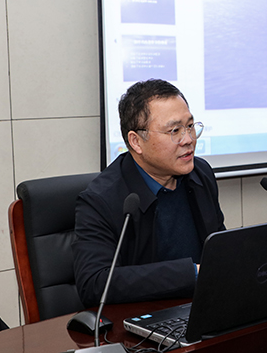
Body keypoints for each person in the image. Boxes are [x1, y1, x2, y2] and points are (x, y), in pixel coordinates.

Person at [73, 79, 225, 307]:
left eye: (190, 126)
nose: (188, 139)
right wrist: (191, 273)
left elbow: (218, 246)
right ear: (136, 142)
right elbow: (95, 283)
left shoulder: (200, 174)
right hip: (143, 319)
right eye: (175, 131)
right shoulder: (100, 200)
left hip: (203, 308)